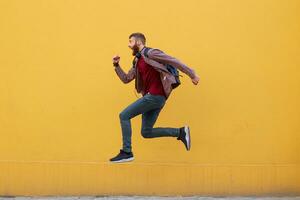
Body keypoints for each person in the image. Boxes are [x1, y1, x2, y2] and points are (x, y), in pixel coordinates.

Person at [110, 32, 200, 163]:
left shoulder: (151, 53)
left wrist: (192, 74)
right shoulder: (137, 60)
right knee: (146, 132)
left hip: (155, 96)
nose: (128, 45)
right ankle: (180, 133)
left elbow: (173, 61)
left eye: (130, 41)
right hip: (156, 98)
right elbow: (126, 79)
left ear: (139, 42)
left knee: (124, 115)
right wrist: (116, 65)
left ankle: (127, 152)